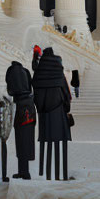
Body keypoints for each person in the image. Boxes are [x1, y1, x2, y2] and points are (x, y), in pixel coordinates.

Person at [33, 48, 72, 181]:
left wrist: (40, 108)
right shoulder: (58, 73)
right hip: (58, 111)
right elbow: (67, 95)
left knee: (47, 143)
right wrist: (66, 109)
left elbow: (35, 95)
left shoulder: (38, 73)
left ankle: (47, 174)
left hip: (44, 114)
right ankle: (62, 174)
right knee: (59, 145)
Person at [5, 60, 36, 180]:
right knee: (27, 139)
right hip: (30, 106)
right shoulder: (26, 71)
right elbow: (30, 87)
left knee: (20, 139)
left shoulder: (11, 71)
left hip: (20, 106)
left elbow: (10, 90)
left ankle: (24, 172)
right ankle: (24, 170)